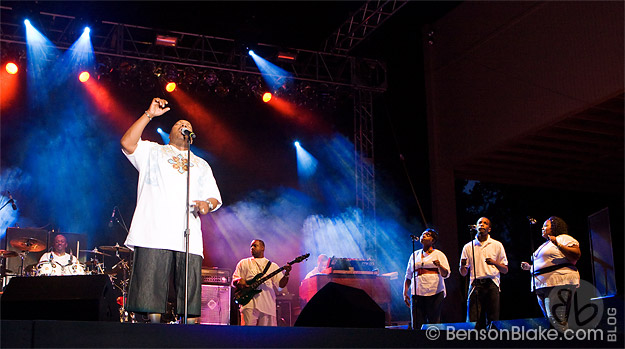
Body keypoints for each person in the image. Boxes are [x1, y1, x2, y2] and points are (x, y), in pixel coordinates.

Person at [121, 97, 222, 324]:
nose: (183, 126)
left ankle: (187, 337)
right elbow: (127, 143)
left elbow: (215, 197)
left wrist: (208, 204)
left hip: (188, 235)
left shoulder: (202, 164)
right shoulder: (153, 151)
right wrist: (149, 114)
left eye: (188, 125)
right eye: (179, 124)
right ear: (171, 132)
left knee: (189, 296)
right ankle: (153, 336)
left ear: (193, 135)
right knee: (150, 295)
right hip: (153, 231)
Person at [521, 216, 580, 332]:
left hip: (558, 282)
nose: (542, 228)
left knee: (557, 320)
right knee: (552, 320)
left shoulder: (563, 238)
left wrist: (558, 244)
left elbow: (576, 254)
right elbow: (547, 263)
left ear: (554, 227)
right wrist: (530, 267)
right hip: (542, 284)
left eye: (545, 225)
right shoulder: (545, 244)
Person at [459, 217, 508, 330]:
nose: (482, 225)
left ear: (489, 229)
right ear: (476, 227)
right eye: (479, 223)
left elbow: (505, 269)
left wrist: (494, 262)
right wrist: (462, 266)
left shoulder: (497, 245)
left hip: (492, 283)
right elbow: (463, 273)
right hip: (475, 284)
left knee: (493, 319)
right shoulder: (468, 246)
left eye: (485, 223)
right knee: (473, 320)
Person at [232, 239, 292, 326]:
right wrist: (239, 281)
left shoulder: (272, 266)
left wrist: (286, 274)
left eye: (255, 246)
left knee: (267, 335)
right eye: (251, 246)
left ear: (262, 248)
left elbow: (281, 285)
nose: (252, 248)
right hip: (249, 303)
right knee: (247, 334)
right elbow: (235, 280)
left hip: (267, 305)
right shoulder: (243, 263)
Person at [403, 229, 450, 330]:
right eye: (423, 234)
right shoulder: (414, 255)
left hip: (435, 293)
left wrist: (439, 266)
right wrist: (405, 292)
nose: (424, 236)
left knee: (434, 323)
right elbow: (408, 275)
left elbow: (446, 274)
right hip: (417, 293)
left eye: (427, 235)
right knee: (417, 323)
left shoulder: (439, 254)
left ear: (433, 240)